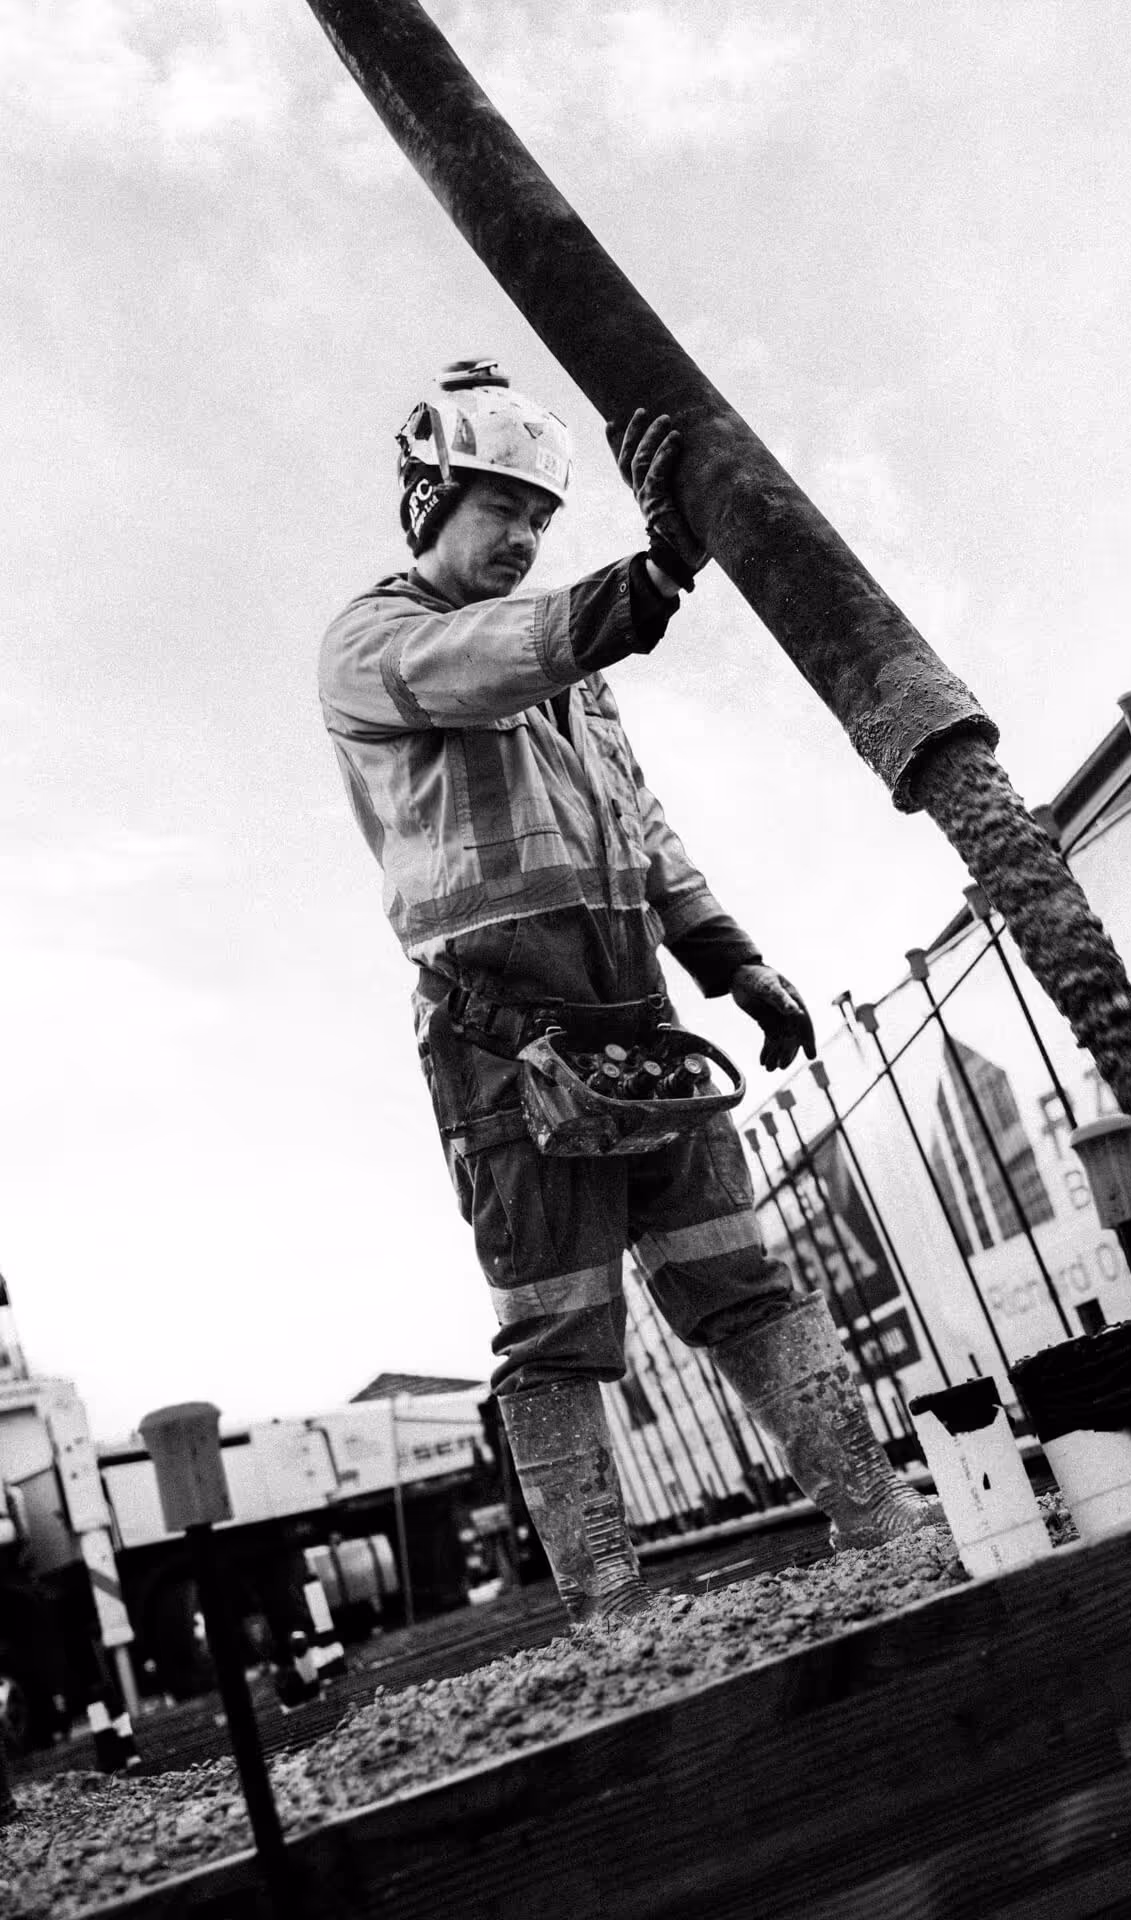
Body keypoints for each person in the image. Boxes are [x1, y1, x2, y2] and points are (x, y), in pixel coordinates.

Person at [319, 359, 944, 1622]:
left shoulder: (568, 673)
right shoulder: (376, 645)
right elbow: (491, 661)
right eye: (503, 509)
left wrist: (733, 961)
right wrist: (653, 575)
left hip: (633, 1020)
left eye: (543, 519)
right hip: (508, 1041)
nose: (527, 537)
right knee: (554, 1326)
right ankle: (612, 1606)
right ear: (431, 497)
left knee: (740, 1276)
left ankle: (879, 1523)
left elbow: (641, 830)